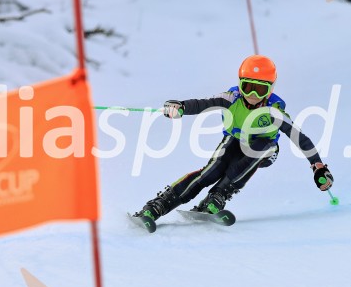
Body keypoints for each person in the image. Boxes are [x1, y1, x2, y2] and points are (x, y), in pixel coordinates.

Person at [133, 55, 334, 228]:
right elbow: (202, 104)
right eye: (248, 87)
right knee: (208, 174)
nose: (253, 95)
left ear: (270, 90)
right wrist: (181, 107)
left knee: (265, 147)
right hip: (234, 141)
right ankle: (158, 206)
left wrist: (318, 167)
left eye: (260, 90)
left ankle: (219, 196)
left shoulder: (275, 112)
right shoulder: (231, 98)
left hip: (263, 150)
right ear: (240, 84)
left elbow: (300, 138)